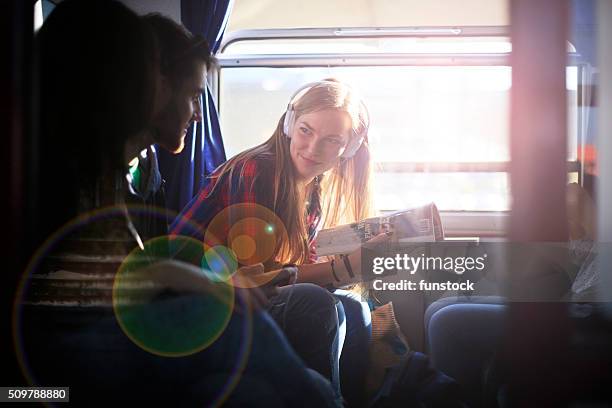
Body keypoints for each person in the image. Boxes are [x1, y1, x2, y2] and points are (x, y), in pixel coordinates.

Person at [15, 1, 339, 405]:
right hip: (62, 353)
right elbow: (97, 290)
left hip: (108, 325)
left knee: (249, 391)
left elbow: (132, 271)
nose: (195, 111)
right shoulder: (56, 163)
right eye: (157, 78)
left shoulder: (129, 167)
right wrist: (205, 282)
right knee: (245, 326)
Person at [170, 78, 389, 404]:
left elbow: (284, 266)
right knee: (316, 303)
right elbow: (255, 276)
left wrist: (352, 262)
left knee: (355, 309)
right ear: (288, 124)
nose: (313, 148)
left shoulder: (312, 189)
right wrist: (341, 268)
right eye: (306, 130)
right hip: (194, 294)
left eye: (331, 140)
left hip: (241, 287)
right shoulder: (257, 170)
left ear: (349, 149)